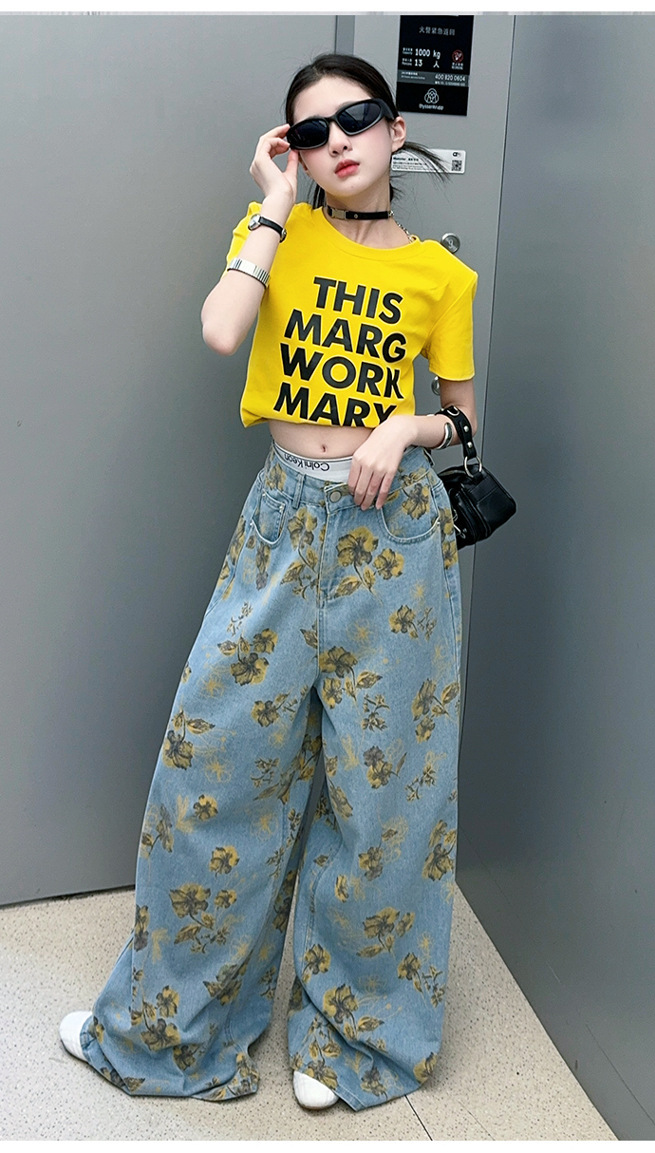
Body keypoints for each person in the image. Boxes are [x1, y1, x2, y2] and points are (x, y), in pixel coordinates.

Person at [60, 52, 478, 1113]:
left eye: (358, 117)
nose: (338, 141)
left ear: (396, 132)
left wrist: (405, 426)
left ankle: (356, 1040)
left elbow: (466, 420)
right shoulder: (275, 236)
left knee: (385, 793)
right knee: (216, 764)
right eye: (310, 131)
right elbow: (220, 330)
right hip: (283, 523)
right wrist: (273, 203)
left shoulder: (443, 275)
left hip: (395, 535)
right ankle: (175, 1028)